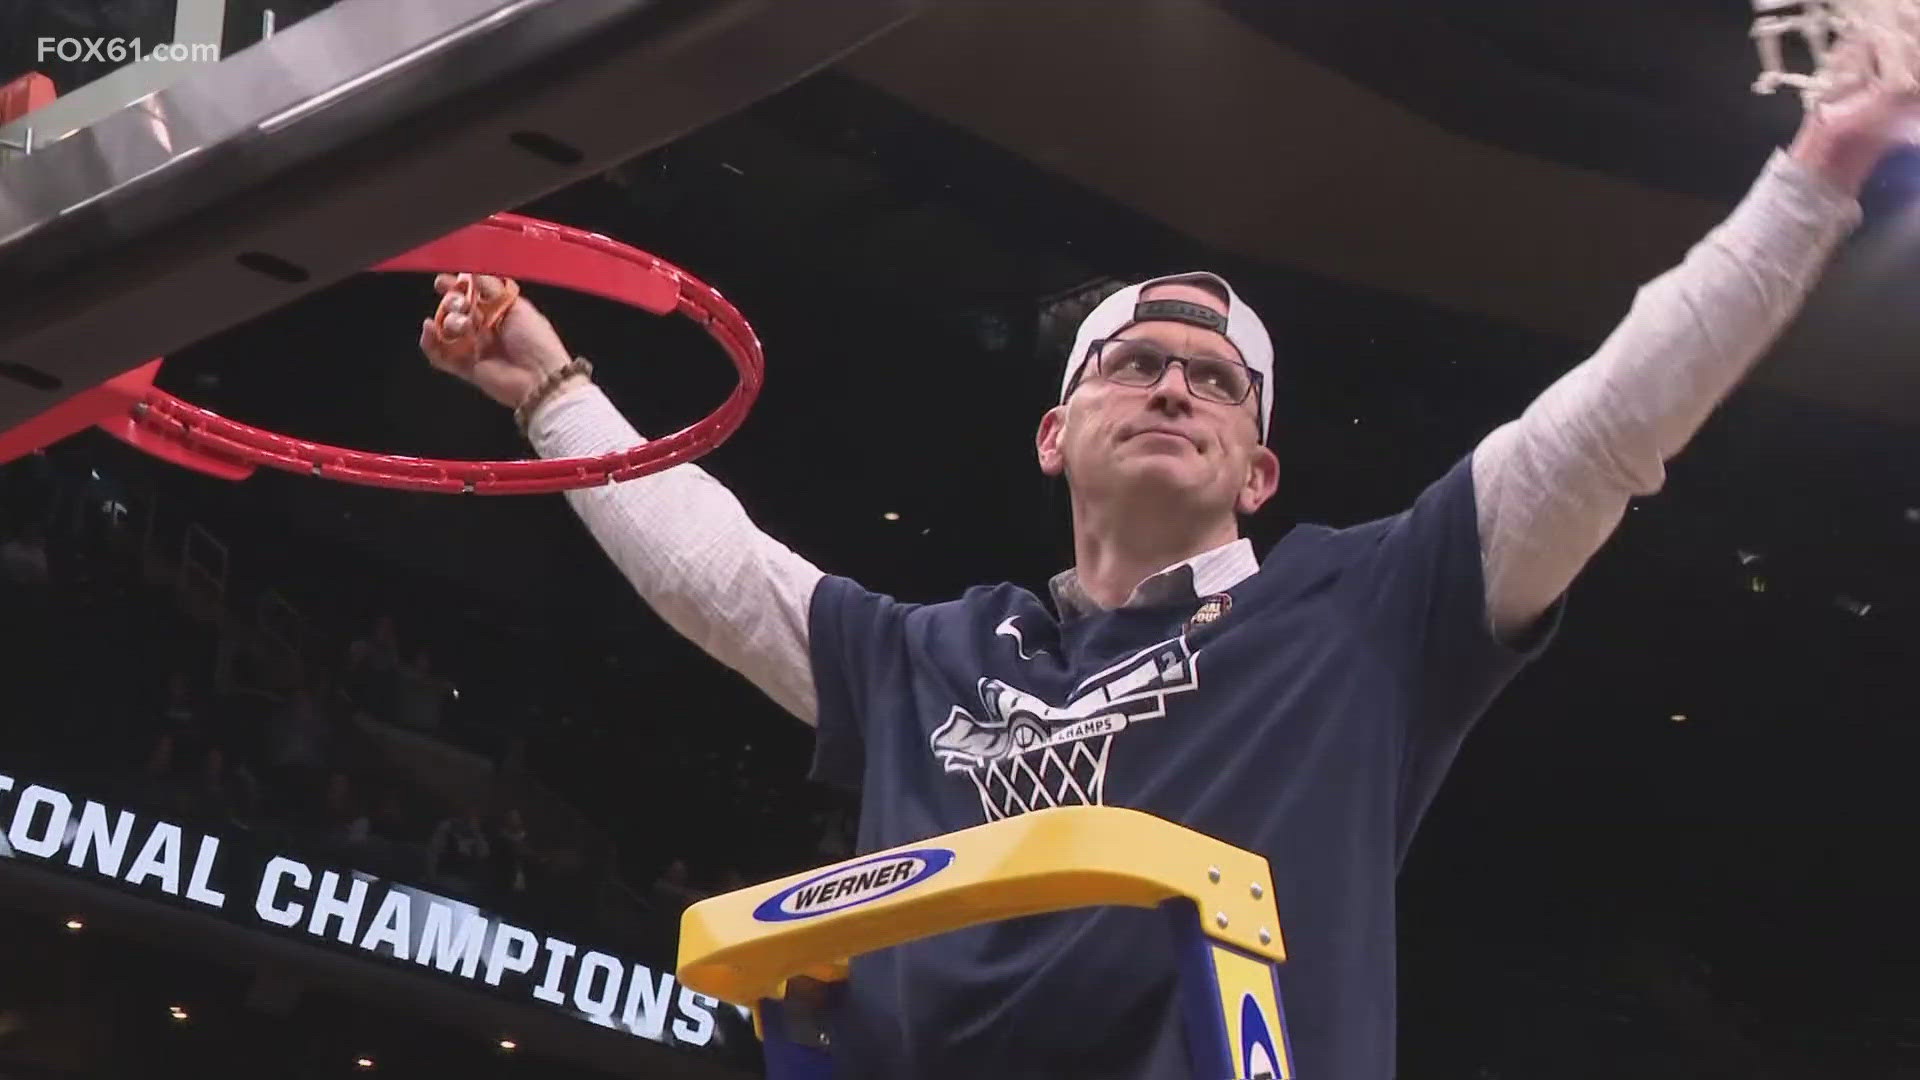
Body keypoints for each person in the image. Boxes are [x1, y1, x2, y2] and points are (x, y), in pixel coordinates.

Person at [416, 72, 1910, 1080]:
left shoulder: (1369, 612)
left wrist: (1816, 176)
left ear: (1259, 472)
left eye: (1216, 381)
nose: (1177, 387)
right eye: (1138, 363)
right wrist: (551, 392)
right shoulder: (933, 654)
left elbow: (1607, 427)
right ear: (1059, 433)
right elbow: (712, 570)